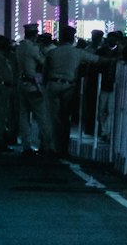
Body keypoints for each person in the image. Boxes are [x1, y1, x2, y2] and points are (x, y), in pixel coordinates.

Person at [43, 25, 100, 157]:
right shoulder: (77, 53)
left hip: (53, 84)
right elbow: (97, 60)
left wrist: (46, 85)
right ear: (72, 38)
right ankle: (63, 148)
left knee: (53, 118)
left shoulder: (52, 53)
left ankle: (52, 146)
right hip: (69, 86)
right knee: (65, 118)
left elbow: (45, 71)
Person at [14, 23, 50, 157]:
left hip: (21, 84)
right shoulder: (33, 48)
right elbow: (43, 62)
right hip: (34, 84)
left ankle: (26, 146)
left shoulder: (20, 47)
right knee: (42, 116)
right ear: (34, 34)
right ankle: (45, 145)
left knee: (23, 117)